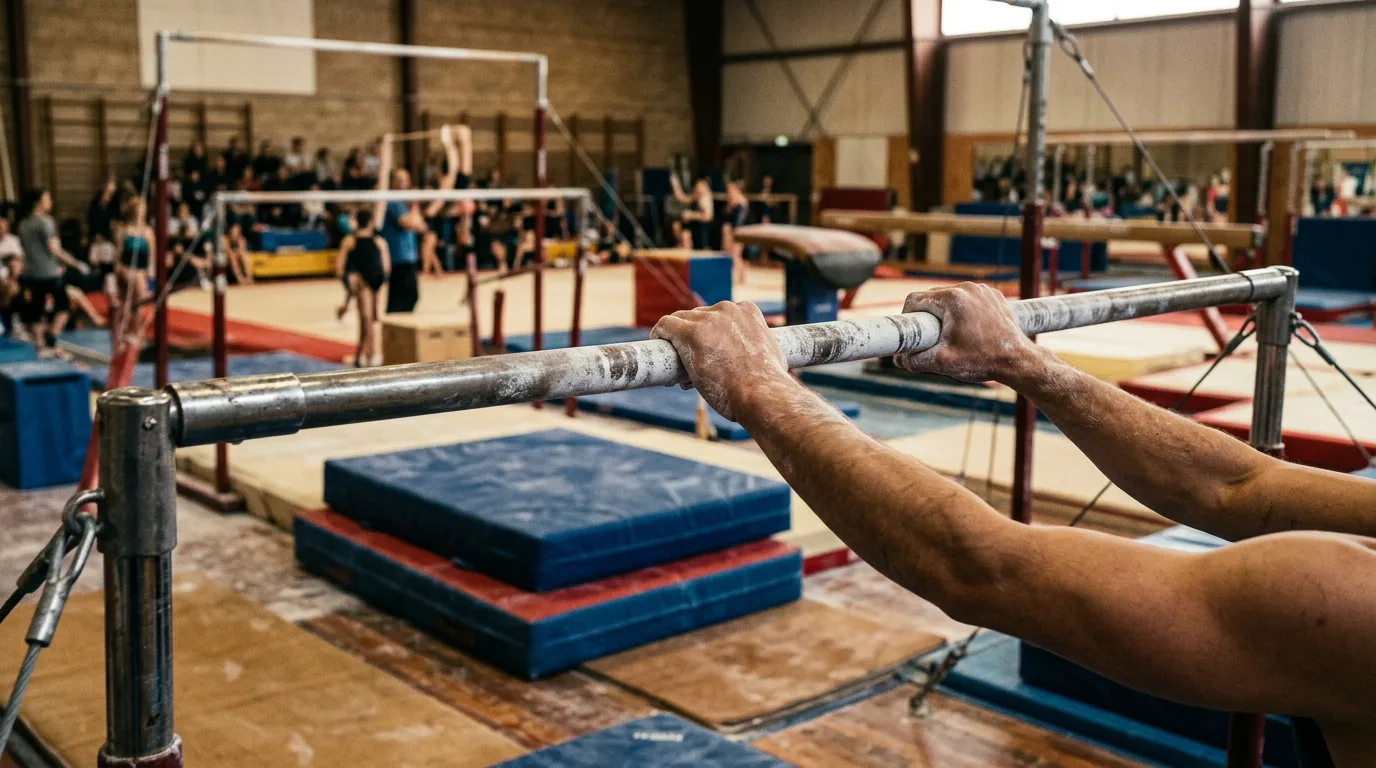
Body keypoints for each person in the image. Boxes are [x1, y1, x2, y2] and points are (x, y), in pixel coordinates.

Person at [651, 285, 1376, 767]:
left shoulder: (1348, 603)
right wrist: (1023, 362)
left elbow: (980, 565)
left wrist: (756, 386)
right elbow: (1239, 485)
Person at [374, 125, 462, 314]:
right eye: (399, 180)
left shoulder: (407, 204)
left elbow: (448, 183)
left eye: (405, 180)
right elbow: (412, 224)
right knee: (400, 301)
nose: (403, 184)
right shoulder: (392, 202)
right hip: (398, 258)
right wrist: (415, 207)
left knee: (410, 297)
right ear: (393, 183)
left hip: (408, 256)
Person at [17, 189, 87, 357]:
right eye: (47, 198)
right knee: (63, 306)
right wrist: (75, 263)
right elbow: (54, 249)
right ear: (38, 202)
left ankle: (40, 347)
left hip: (30, 273)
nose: (50, 201)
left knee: (36, 311)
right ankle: (52, 335)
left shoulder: (23, 224)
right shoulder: (45, 222)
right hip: (48, 273)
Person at [335, 208, 390, 367]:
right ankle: (367, 354)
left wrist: (348, 287)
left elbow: (339, 268)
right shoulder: (378, 241)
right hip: (372, 279)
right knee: (371, 318)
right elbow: (386, 267)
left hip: (365, 280)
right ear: (371, 222)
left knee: (366, 318)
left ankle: (368, 354)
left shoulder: (350, 240)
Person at [114, 196, 155, 314]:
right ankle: (130, 320)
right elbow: (118, 254)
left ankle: (137, 324)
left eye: (142, 212)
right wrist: (116, 270)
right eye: (137, 211)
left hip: (142, 270)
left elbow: (151, 256)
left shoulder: (148, 232)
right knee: (135, 277)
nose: (139, 214)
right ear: (132, 212)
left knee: (138, 277)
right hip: (125, 268)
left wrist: (151, 275)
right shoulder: (123, 230)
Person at [669, 175, 713, 249]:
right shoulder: (696, 195)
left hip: (701, 227)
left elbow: (708, 217)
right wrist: (676, 185)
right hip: (693, 224)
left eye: (698, 187)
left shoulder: (706, 198)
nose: (696, 189)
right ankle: (681, 245)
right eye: (696, 187)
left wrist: (691, 215)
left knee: (686, 235)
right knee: (676, 225)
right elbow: (682, 198)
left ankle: (686, 248)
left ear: (704, 186)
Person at [721, 181, 749, 282]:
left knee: (735, 255)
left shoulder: (741, 202)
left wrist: (734, 232)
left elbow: (739, 220)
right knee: (733, 255)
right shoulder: (735, 202)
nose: (729, 193)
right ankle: (739, 276)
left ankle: (741, 276)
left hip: (737, 233)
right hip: (734, 231)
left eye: (731, 190)